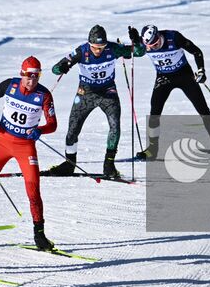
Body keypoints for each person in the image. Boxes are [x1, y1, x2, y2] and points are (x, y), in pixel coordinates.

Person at [0, 57, 59, 251]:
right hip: (2, 142)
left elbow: (53, 124)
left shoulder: (44, 95)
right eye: (28, 76)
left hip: (25, 146)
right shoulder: (10, 85)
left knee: (33, 188)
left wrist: (40, 130)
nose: (31, 80)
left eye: (36, 76)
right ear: (21, 73)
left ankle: (39, 234)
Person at [46, 24, 144, 180]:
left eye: (101, 47)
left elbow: (139, 52)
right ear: (89, 44)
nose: (98, 50)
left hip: (108, 92)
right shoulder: (81, 51)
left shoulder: (113, 49)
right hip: (86, 93)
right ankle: (69, 163)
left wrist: (137, 40)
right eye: (95, 47)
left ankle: (109, 164)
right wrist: (62, 66)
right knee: (73, 128)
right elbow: (55, 69)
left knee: (115, 125)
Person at [136, 25, 210, 158]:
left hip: (184, 75)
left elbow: (196, 51)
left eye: (156, 44)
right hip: (164, 78)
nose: (153, 47)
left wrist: (201, 70)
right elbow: (131, 52)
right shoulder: (143, 44)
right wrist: (133, 42)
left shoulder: (174, 37)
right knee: (154, 112)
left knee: (203, 109)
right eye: (150, 46)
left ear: (159, 35)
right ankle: (152, 149)